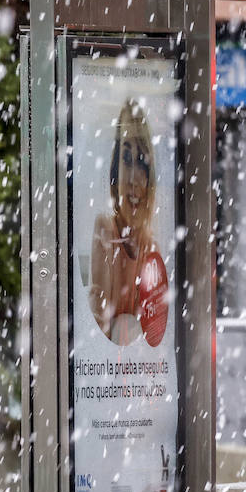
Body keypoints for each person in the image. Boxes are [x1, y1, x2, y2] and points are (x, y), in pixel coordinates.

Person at [90, 99, 165, 345]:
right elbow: (100, 324)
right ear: (115, 169)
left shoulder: (151, 246)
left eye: (142, 163)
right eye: (126, 158)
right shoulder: (105, 228)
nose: (133, 179)